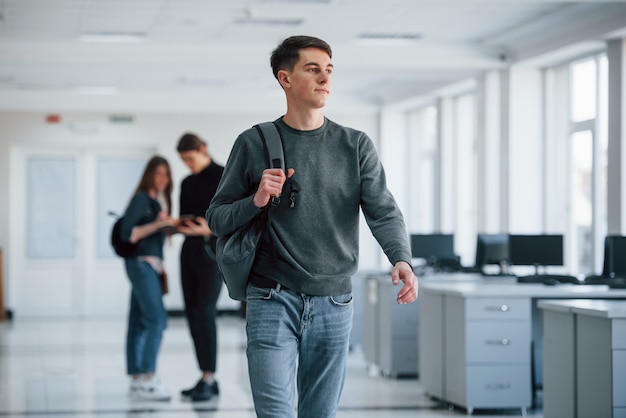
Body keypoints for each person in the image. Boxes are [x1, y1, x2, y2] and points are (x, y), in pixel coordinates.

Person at [206, 35, 418, 418]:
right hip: (271, 297)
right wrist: (255, 200)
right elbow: (217, 219)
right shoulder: (253, 143)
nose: (325, 78)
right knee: (275, 413)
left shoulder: (355, 145)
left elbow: (383, 211)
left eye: (329, 70)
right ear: (285, 79)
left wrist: (400, 258)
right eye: (313, 69)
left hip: (335, 300)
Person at [119, 155, 174, 402]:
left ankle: (137, 380)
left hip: (147, 266)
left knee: (138, 322)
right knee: (158, 320)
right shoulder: (142, 199)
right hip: (141, 265)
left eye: (166, 174)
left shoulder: (154, 201)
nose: (163, 179)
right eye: (158, 174)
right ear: (149, 175)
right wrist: (157, 224)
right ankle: (149, 379)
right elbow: (129, 233)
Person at [175, 132, 224, 401]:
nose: (187, 164)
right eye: (183, 160)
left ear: (203, 149)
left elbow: (235, 217)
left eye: (190, 158)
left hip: (212, 253)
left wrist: (209, 228)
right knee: (193, 314)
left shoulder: (224, 176)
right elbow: (186, 216)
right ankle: (206, 375)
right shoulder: (186, 182)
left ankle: (210, 377)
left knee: (205, 313)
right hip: (189, 252)